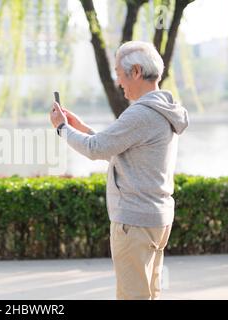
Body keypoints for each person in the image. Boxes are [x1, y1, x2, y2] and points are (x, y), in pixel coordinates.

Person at [49, 41, 189, 300]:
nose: (118, 81)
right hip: (157, 219)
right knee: (149, 294)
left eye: (118, 73)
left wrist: (62, 129)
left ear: (136, 71)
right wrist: (78, 127)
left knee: (132, 297)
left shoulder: (141, 114)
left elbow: (96, 149)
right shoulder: (163, 109)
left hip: (134, 222)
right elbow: (116, 148)